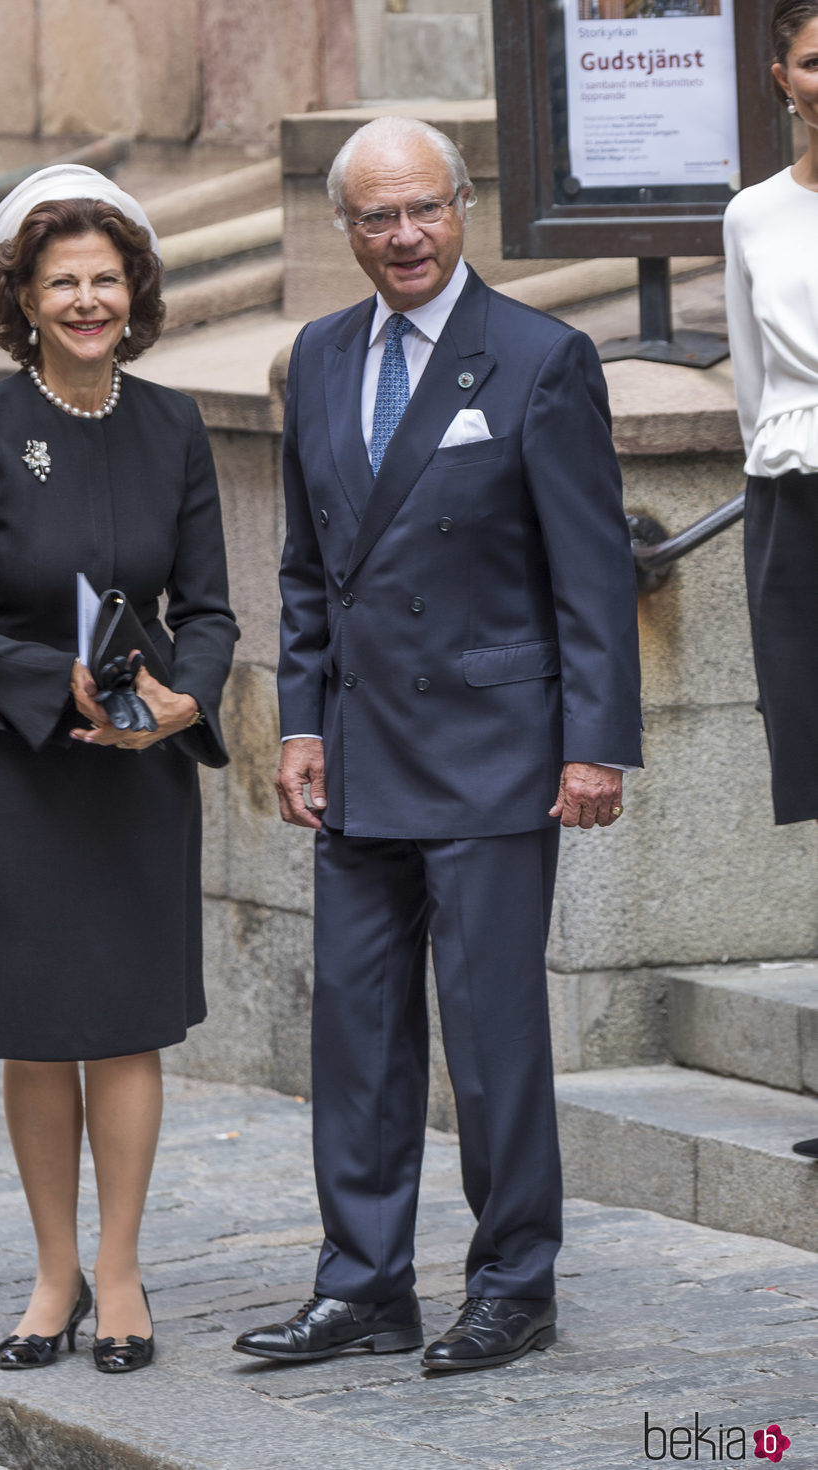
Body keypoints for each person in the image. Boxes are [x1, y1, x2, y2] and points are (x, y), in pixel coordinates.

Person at [233, 116, 642, 1375]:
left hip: (495, 753)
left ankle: (514, 1282)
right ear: (343, 229)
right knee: (353, 1035)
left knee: (492, 1034)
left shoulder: (539, 357)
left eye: (422, 210)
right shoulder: (311, 356)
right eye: (374, 217)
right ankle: (360, 1284)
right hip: (357, 754)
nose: (402, 236)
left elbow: (591, 573)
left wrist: (594, 748)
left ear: (462, 208)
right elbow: (308, 572)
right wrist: (297, 721)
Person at [0, 164, 238, 1372]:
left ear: (133, 292)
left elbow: (210, 606)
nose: (87, 302)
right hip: (22, 769)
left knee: (126, 1030)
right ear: (25, 300)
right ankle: (54, 1275)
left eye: (105, 280)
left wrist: (190, 689)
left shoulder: (174, 423)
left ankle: (124, 1270)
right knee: (42, 1034)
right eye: (62, 284)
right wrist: (58, 682)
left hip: (139, 770)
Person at [723, 0, 818, 1159]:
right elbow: (751, 388)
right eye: (813, 58)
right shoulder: (751, 214)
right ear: (781, 77)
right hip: (796, 503)